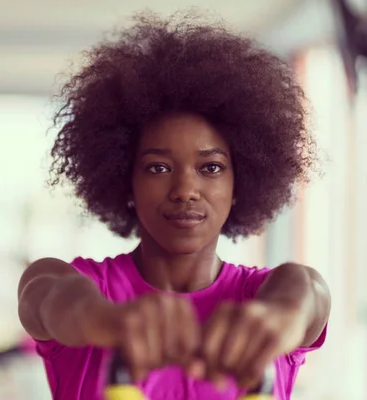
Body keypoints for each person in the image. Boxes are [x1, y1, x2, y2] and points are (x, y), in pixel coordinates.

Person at [17, 12, 331, 400]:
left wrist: (282, 316)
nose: (185, 189)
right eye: (158, 167)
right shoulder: (86, 290)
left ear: (241, 184)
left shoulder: (262, 299)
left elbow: (307, 290)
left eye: (211, 167)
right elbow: (44, 294)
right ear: (125, 180)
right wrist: (107, 320)